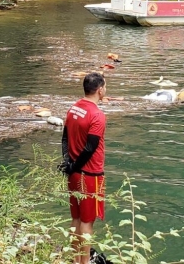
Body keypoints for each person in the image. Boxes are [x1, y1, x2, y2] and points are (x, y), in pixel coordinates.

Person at [61, 72, 107, 264]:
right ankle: (85, 262)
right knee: (87, 221)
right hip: (90, 175)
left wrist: (68, 164)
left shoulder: (74, 109)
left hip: (73, 173)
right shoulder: (97, 115)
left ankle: (75, 260)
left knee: (76, 218)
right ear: (100, 90)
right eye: (105, 86)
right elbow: (90, 147)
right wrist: (76, 165)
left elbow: (64, 138)